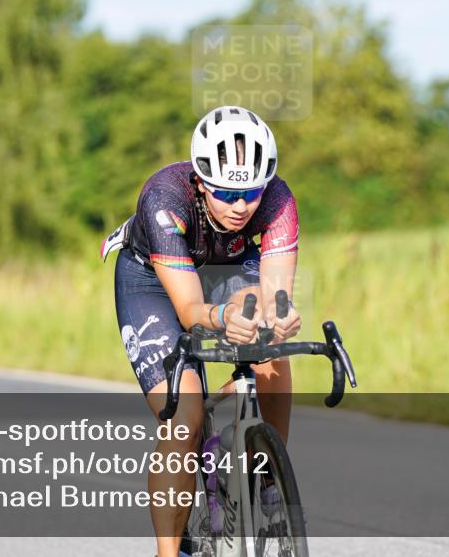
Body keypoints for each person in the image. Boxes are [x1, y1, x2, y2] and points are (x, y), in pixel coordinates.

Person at [102, 105, 301, 557]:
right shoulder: (164, 198)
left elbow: (275, 295)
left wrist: (281, 315)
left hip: (224, 263)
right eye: (226, 193)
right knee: (184, 417)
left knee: (272, 346)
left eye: (251, 192)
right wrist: (223, 315)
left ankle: (269, 476)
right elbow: (191, 309)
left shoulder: (278, 200)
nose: (240, 206)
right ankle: (168, 553)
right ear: (199, 180)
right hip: (153, 280)